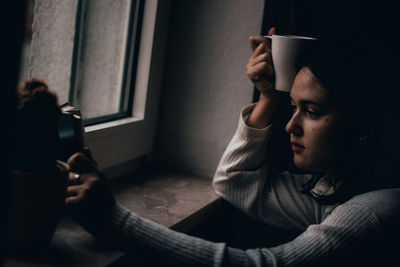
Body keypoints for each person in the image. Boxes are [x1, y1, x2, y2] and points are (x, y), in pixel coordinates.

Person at [64, 28, 400, 266]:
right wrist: (268, 96)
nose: (290, 125)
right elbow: (235, 182)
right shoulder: (334, 189)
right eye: (292, 106)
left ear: (364, 128)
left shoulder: (377, 209)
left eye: (311, 112)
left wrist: (115, 220)